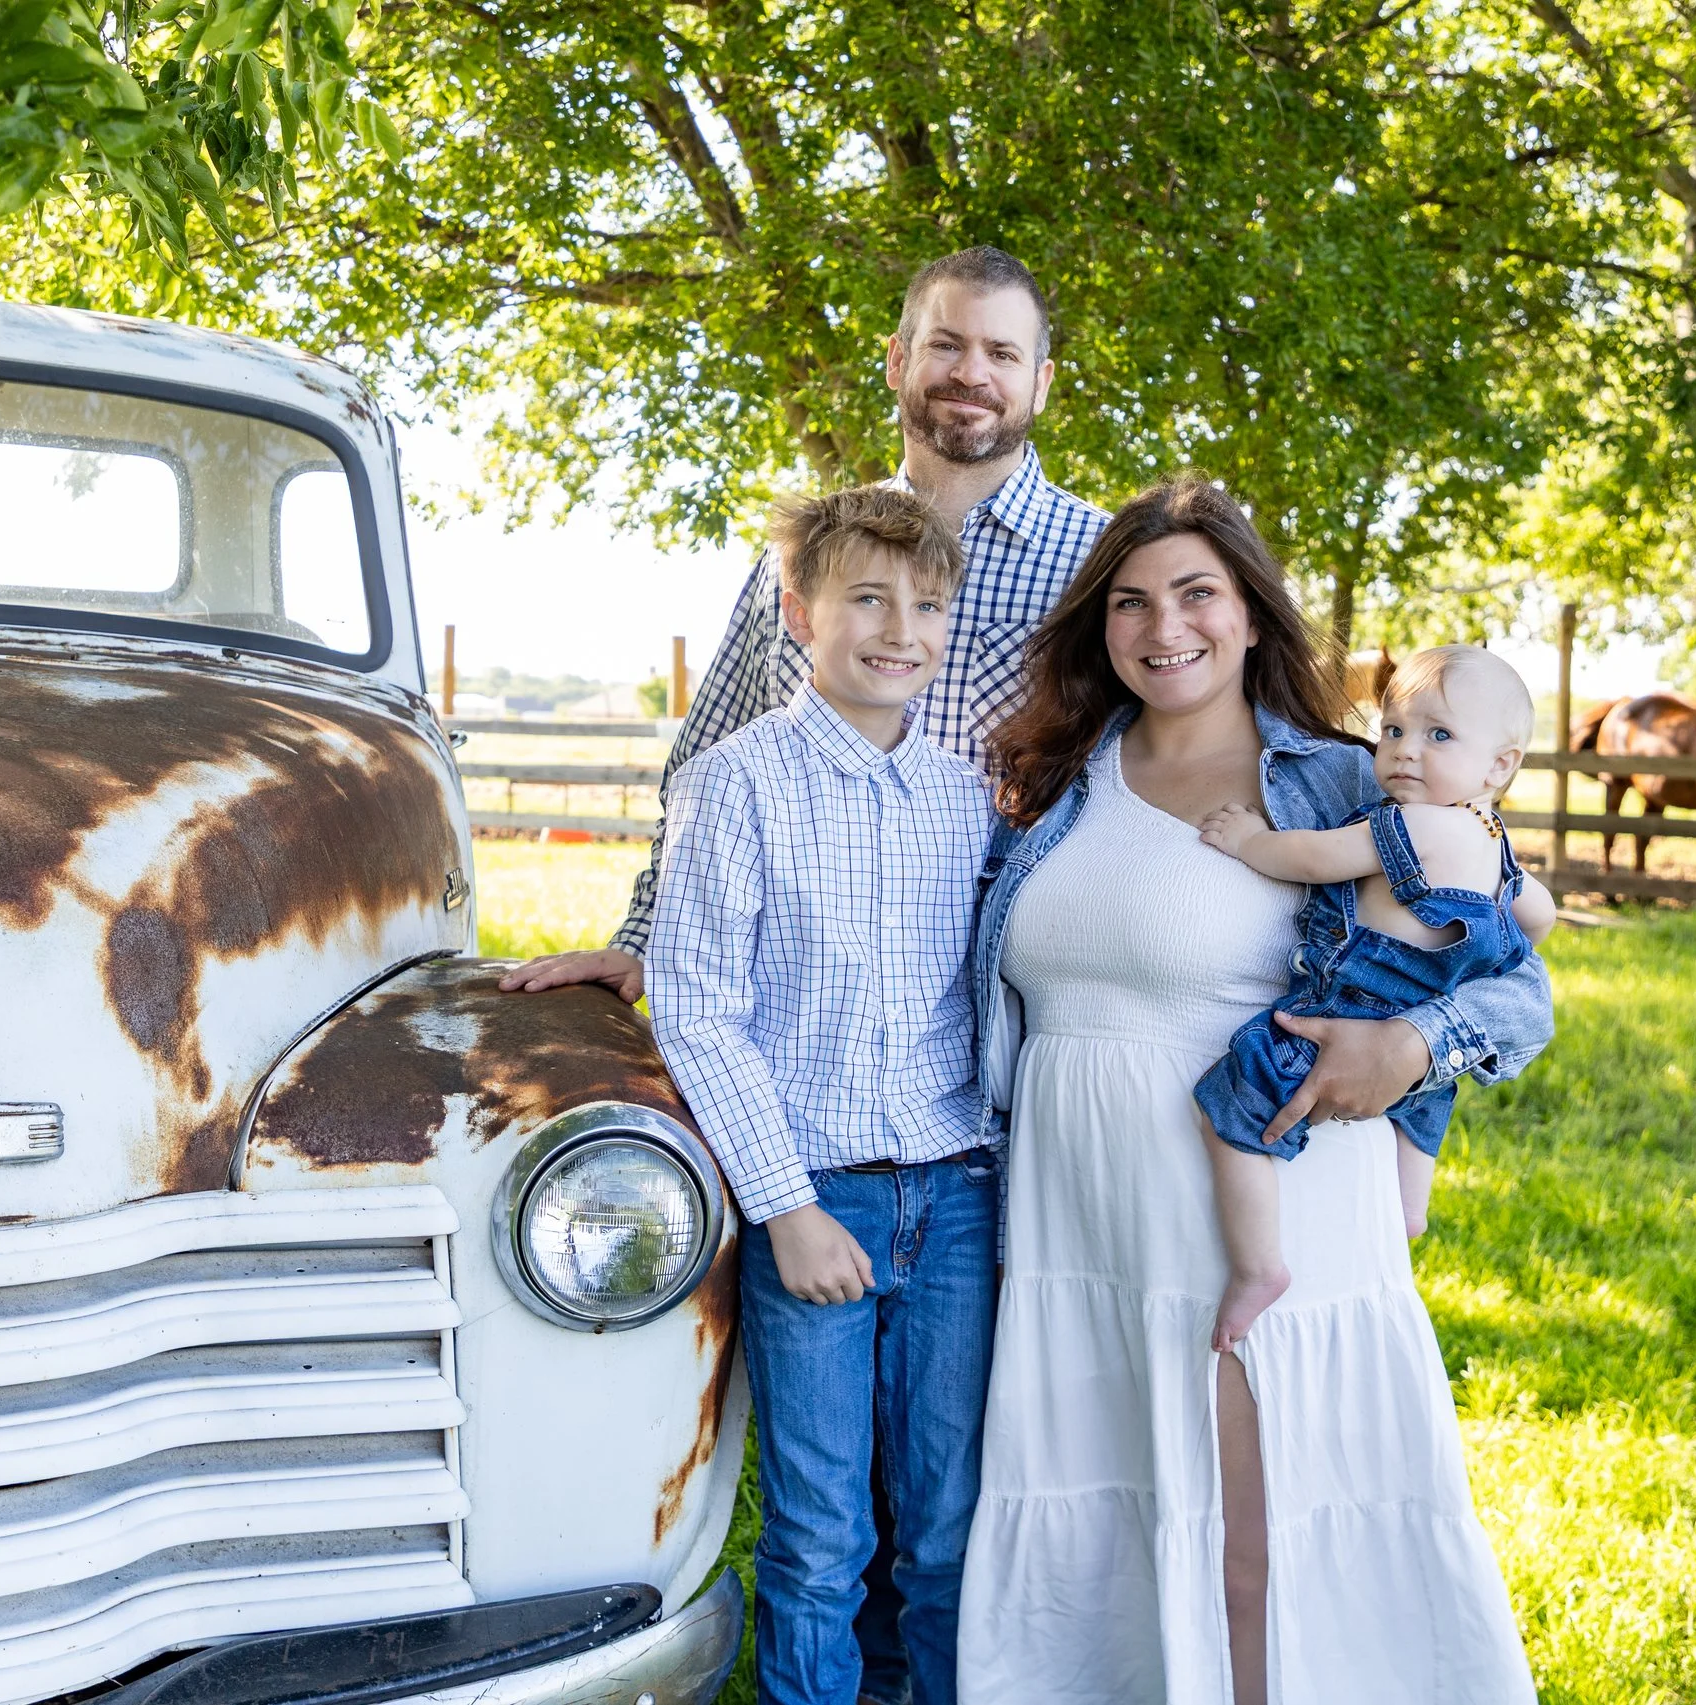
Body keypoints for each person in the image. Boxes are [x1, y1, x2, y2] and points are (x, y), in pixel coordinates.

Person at [501, 243, 1101, 1705]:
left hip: (976, 1107)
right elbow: (705, 752)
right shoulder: (803, 569)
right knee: (825, 1522)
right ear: (900, 362)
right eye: (946, 345)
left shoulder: (1091, 563)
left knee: (948, 1509)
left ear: (1037, 382)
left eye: (1003, 354)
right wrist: (648, 937)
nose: (971, 375)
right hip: (820, 1128)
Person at [959, 478, 1546, 1704]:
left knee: (1252, 1532)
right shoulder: (1053, 778)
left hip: (1258, 1201)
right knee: (1103, 1525)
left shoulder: (1339, 780)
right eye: (1129, 601)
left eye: (1194, 593)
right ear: (1099, 626)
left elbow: (1515, 977)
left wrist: (1416, 1048)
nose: (1161, 624)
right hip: (1074, 1213)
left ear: (1247, 611)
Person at [648, 485, 997, 1705]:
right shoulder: (737, 784)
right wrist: (787, 1208)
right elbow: (696, 1007)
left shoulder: (962, 797)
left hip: (955, 1198)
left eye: (926, 604)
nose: (899, 627)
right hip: (817, 1197)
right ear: (797, 612)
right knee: (817, 1535)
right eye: (865, 598)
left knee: (948, 1530)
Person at [1192, 643, 1560, 1343]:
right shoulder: (1495, 844)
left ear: (1501, 765)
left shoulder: (1409, 824)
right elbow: (1536, 916)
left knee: (1231, 1106)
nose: (1404, 752)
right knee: (1412, 1156)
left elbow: (1312, 857)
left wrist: (1247, 839)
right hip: (1423, 1060)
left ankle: (1257, 1265)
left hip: (1347, 1017)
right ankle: (1408, 1212)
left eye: (1438, 735)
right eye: (1392, 730)